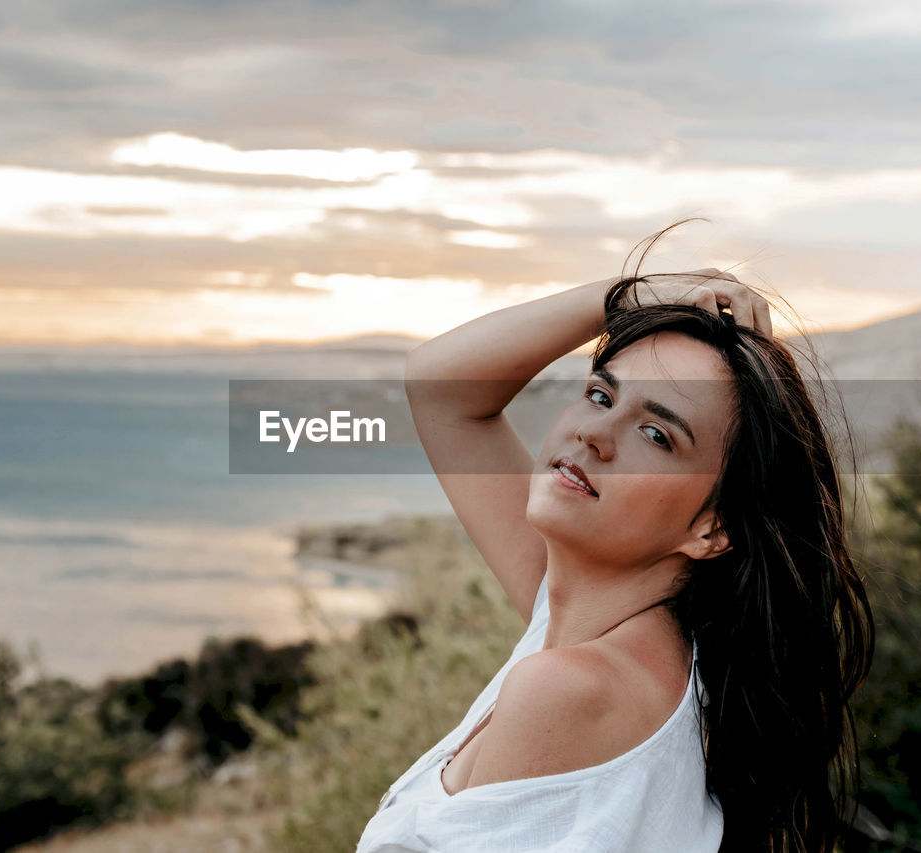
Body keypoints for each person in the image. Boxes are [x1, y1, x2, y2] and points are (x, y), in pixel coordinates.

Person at [355, 223, 874, 853]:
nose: (595, 436)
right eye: (602, 395)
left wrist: (633, 297)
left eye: (658, 436)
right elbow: (440, 386)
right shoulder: (609, 631)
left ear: (714, 528)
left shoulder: (575, 688)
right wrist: (634, 294)